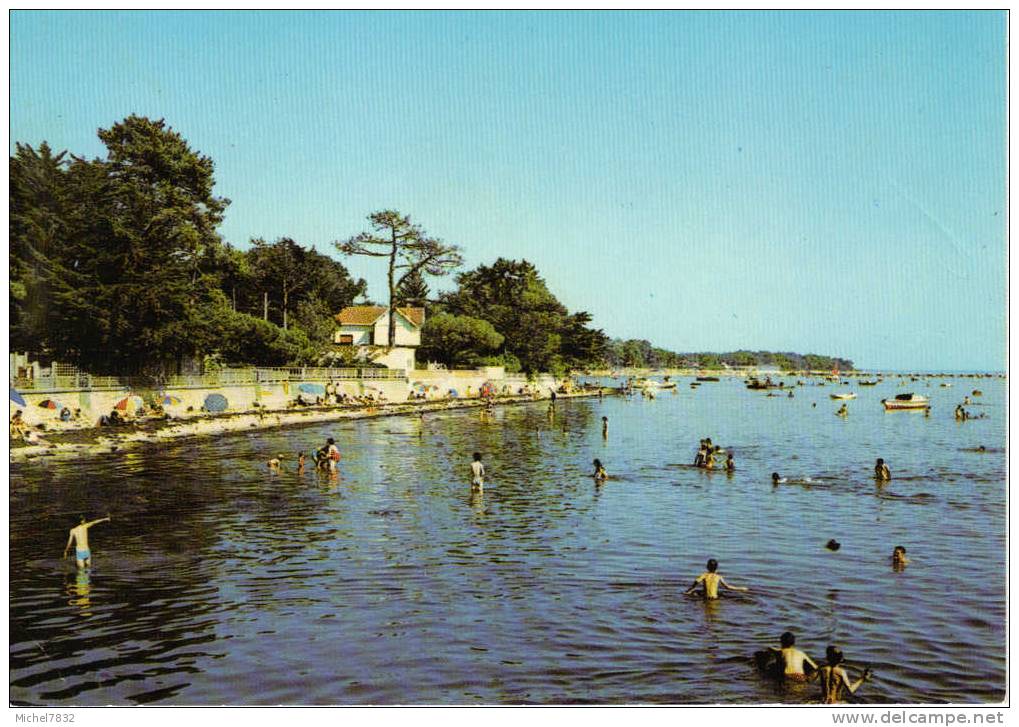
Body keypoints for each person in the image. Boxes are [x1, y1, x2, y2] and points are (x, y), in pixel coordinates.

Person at [684, 558, 748, 600]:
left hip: (706, 598)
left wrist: (689, 591)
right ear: (717, 568)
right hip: (715, 598)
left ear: (707, 567)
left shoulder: (704, 575)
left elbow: (696, 582)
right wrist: (741, 588)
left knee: (695, 592)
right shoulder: (719, 577)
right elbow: (727, 587)